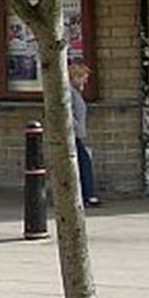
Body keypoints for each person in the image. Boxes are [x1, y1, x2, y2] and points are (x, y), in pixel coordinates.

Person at [68, 62, 100, 207]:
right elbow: (67, 114)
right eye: (83, 78)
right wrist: (76, 129)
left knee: (81, 163)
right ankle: (89, 196)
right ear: (74, 77)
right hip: (71, 135)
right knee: (84, 163)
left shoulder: (75, 92)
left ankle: (86, 195)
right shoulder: (69, 92)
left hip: (76, 135)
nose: (85, 82)